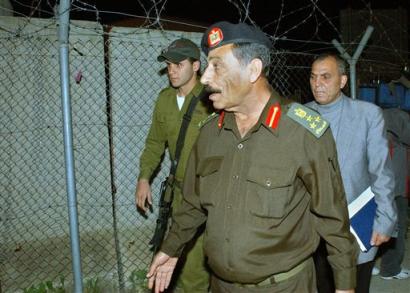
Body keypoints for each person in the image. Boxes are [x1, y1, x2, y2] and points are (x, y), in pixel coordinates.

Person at [147, 21, 358, 293]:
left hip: (285, 287)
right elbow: (191, 204)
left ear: (253, 70)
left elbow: (332, 218)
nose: (205, 78)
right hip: (221, 286)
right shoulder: (211, 133)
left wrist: (344, 287)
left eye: (217, 66)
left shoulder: (301, 132)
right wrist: (172, 248)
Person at [306, 53, 398, 293]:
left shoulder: (367, 115)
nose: (318, 84)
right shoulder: (300, 116)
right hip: (312, 226)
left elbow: (381, 171)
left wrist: (385, 219)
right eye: (313, 77)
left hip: (355, 225)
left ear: (343, 81)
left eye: (326, 77)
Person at [135, 38, 212, 292]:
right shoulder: (165, 100)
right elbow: (155, 143)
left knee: (201, 267)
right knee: (185, 261)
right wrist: (144, 177)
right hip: (179, 194)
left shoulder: (212, 100)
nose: (172, 70)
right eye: (169, 65)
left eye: (179, 64)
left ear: (197, 65)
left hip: (208, 195)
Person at [377, 108, 410, 280]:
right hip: (394, 186)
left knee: (374, 224)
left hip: (378, 183)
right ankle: (390, 269)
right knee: (396, 226)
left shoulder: (377, 114)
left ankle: (368, 265)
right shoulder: (398, 115)